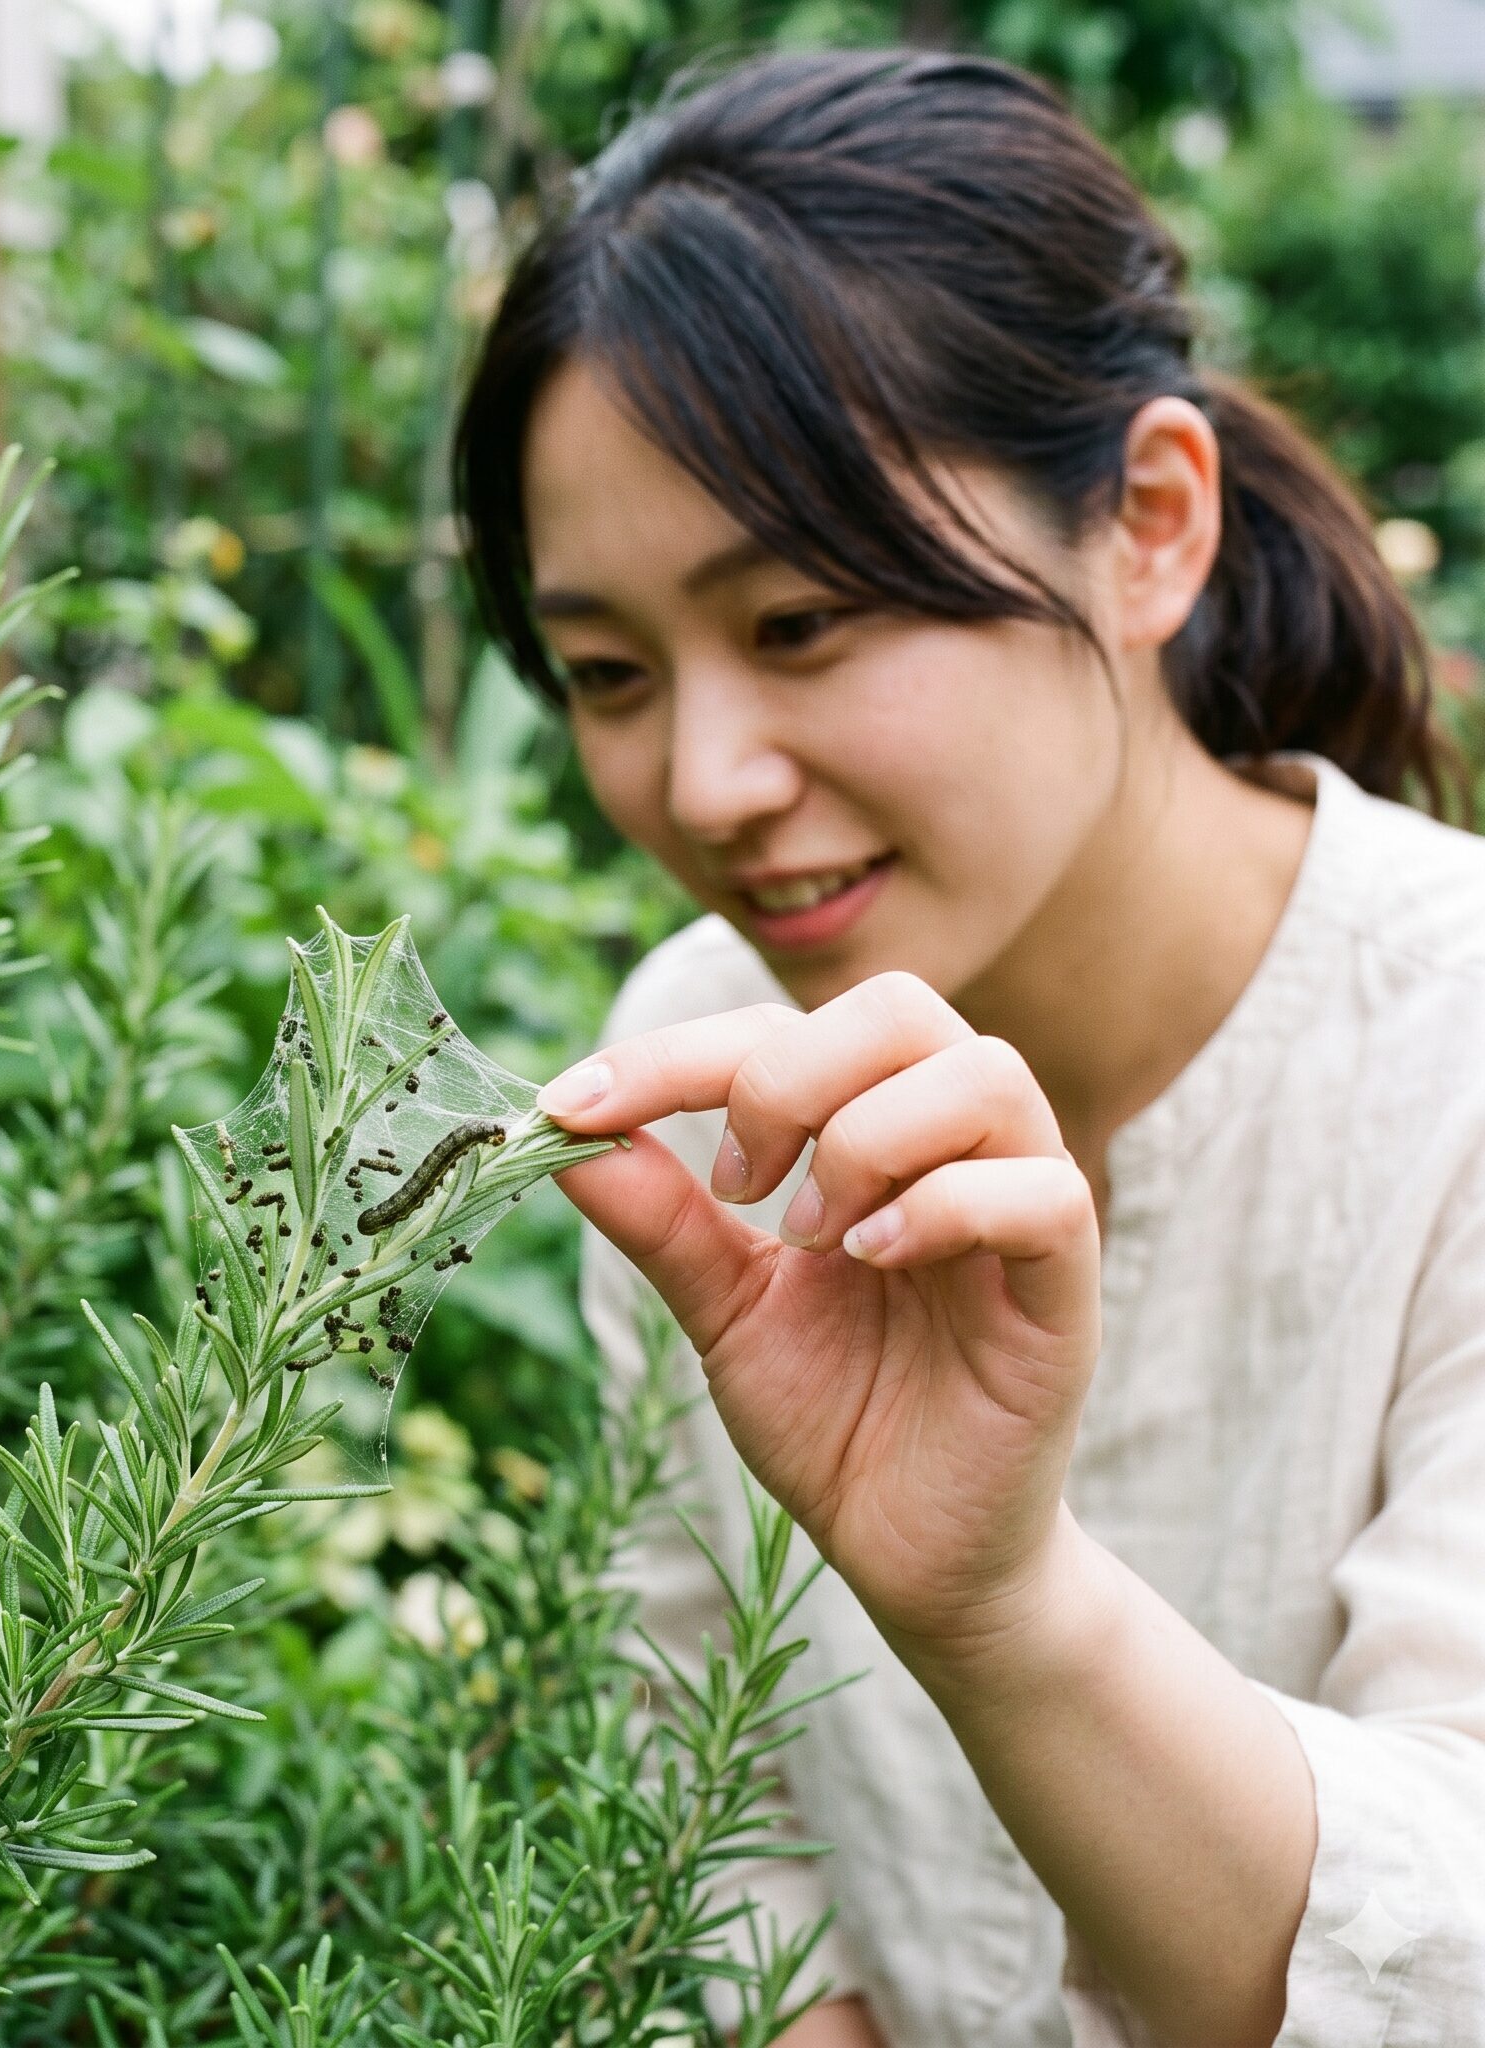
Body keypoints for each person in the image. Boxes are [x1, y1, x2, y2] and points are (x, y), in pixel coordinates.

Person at [450, 45, 1485, 2048]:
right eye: (602, 670)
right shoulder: (698, 1049)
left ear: (1150, 526)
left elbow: (1446, 1958)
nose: (706, 777)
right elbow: (708, 1793)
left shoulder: (1455, 1059)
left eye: (805, 620)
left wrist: (1000, 1608)